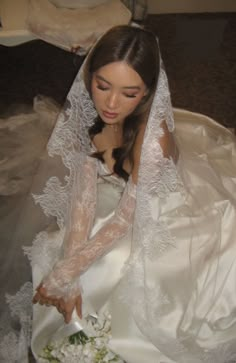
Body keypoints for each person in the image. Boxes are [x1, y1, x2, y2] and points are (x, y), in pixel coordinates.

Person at [2, 25, 236, 363]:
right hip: (119, 189)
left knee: (113, 263)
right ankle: (73, 316)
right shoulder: (88, 114)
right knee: (61, 241)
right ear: (89, 78)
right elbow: (83, 195)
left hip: (161, 209)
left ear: (147, 93)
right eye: (102, 85)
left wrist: (67, 273)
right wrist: (67, 272)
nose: (111, 103)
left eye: (129, 93)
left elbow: (128, 216)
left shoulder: (151, 139)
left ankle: (106, 333)